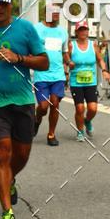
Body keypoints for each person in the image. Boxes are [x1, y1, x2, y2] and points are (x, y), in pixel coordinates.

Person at [0, 0, 49, 219]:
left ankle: (11, 180)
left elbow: (44, 61)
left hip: (22, 101)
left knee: (21, 155)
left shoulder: (25, 29)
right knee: (2, 153)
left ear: (11, 5)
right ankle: (7, 213)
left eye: (4, 4)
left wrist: (18, 58)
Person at [68, 21, 110, 141]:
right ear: (76, 32)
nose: (83, 32)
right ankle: (80, 131)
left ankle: (87, 121)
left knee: (92, 109)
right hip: (76, 82)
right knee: (80, 108)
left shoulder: (93, 45)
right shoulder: (72, 45)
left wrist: (104, 70)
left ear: (88, 31)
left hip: (91, 82)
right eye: (80, 30)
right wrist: (67, 68)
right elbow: (66, 59)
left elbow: (100, 60)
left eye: (84, 29)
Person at [34, 8, 70, 146]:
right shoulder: (37, 28)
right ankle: (37, 120)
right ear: (46, 13)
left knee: (54, 103)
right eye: (53, 12)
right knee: (43, 106)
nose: (56, 15)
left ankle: (51, 134)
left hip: (58, 74)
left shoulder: (62, 31)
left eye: (57, 13)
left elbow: (64, 52)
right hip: (41, 73)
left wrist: (69, 62)